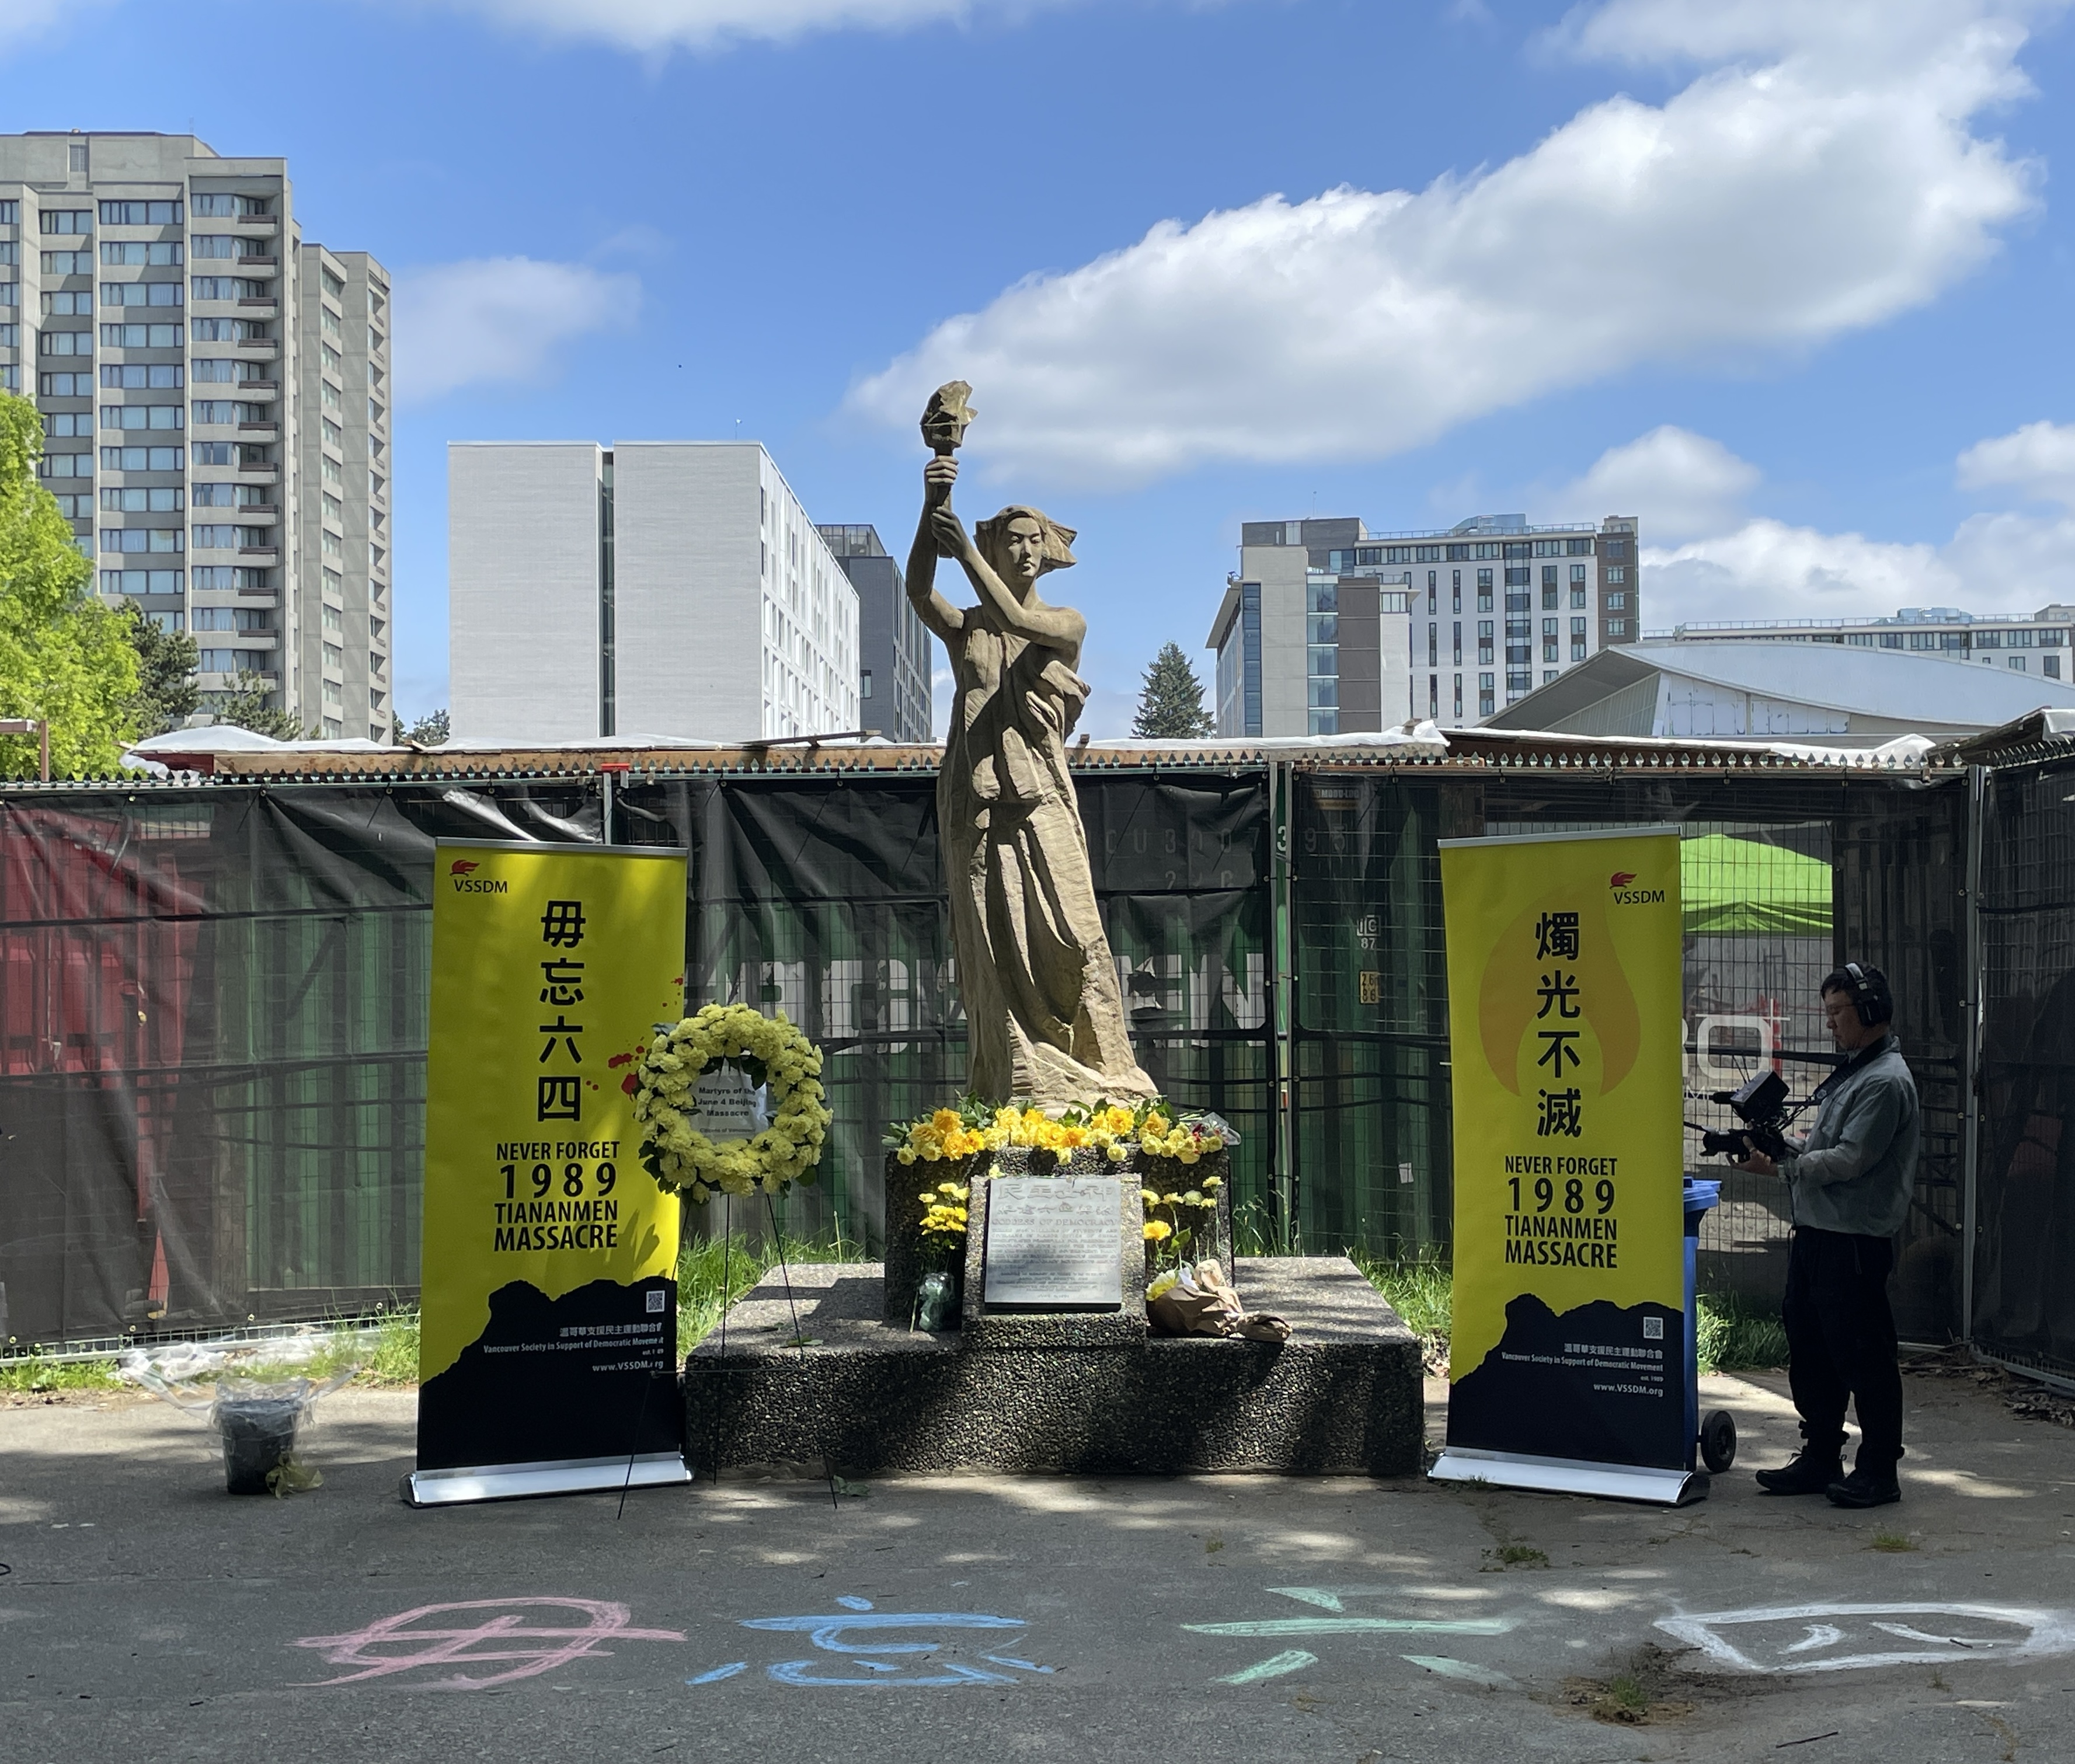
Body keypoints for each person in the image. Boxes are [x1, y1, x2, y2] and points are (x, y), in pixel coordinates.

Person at [903, 440, 1155, 1107]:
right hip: (977, 801)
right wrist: (932, 505)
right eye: (1009, 540)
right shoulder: (966, 630)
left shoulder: (1063, 623)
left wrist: (966, 552)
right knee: (992, 939)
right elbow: (917, 591)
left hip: (1040, 795)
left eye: (1031, 540)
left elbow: (1017, 618)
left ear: (1047, 551)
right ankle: (1015, 1076)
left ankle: (1096, 1069)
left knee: (1069, 932)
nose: (1020, 551)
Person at [1738, 963, 1920, 1508]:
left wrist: (1782, 1168)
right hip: (1818, 1232)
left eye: (1838, 1012)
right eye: (1829, 1013)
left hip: (1854, 1241)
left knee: (1864, 1355)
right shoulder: (1857, 1074)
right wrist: (1782, 1148)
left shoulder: (1885, 1082)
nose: (1830, 1024)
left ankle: (1880, 1470)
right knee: (1812, 1347)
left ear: (1870, 1012)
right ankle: (1821, 1455)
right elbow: (1825, 1146)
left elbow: (1850, 1160)